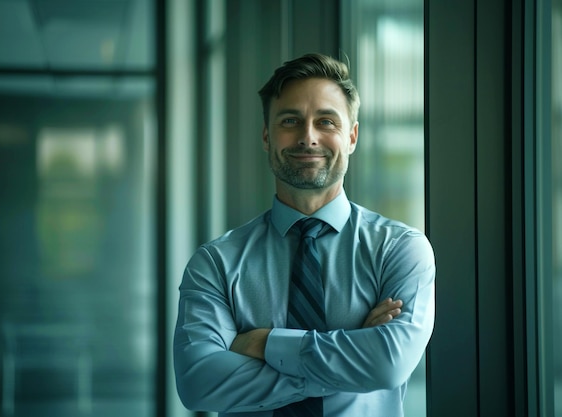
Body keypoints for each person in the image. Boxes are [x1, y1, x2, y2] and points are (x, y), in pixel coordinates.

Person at [173, 53, 435, 417]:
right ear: (267, 136)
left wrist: (265, 344)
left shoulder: (400, 250)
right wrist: (351, 353)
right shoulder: (216, 263)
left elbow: (387, 366)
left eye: (326, 121)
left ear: (352, 136)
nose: (307, 137)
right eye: (290, 120)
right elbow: (199, 384)